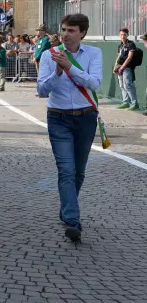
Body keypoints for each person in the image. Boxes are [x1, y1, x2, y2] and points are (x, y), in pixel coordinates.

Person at [36, 14, 103, 243]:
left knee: (79, 171)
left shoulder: (94, 54)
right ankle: (73, 221)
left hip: (85, 118)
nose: (65, 34)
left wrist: (70, 68)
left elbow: (94, 83)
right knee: (66, 169)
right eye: (63, 29)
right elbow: (43, 90)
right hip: (58, 117)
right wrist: (56, 72)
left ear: (82, 33)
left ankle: (66, 209)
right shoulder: (48, 55)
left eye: (71, 30)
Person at [114, 28, 139, 111]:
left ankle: (134, 103)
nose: (123, 36)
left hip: (127, 68)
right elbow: (118, 57)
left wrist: (121, 68)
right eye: (121, 34)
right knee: (121, 85)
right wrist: (115, 67)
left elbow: (129, 58)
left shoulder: (131, 44)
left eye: (124, 34)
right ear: (119, 35)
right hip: (120, 67)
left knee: (128, 85)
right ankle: (125, 102)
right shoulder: (120, 45)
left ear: (127, 35)